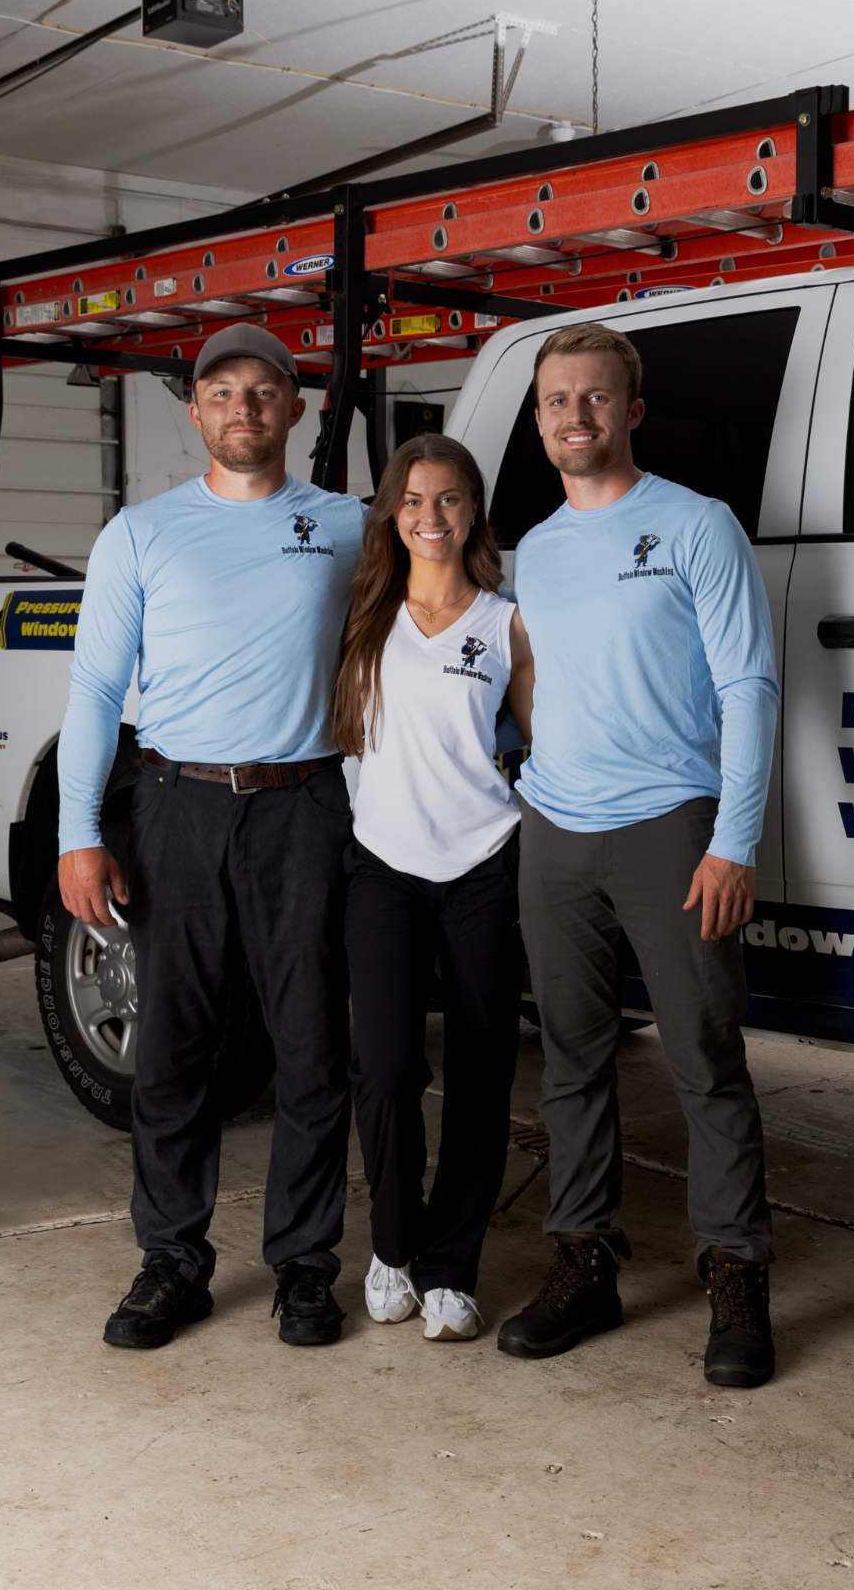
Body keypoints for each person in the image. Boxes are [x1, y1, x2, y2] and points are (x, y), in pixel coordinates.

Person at [57, 324, 365, 1351]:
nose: (244, 407)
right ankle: (172, 1262)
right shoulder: (140, 534)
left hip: (304, 805)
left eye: (263, 389)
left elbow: (433, 624)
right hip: (177, 804)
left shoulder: (350, 526)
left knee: (310, 1044)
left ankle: (305, 1265)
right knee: (175, 1046)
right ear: (195, 412)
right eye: (222, 392)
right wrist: (76, 831)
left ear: (296, 407)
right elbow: (97, 688)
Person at [494, 322, 781, 1388]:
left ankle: (736, 1274)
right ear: (538, 421)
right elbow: (537, 678)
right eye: (556, 400)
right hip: (555, 832)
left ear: (632, 411)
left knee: (705, 1059)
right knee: (570, 1064)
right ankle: (584, 1263)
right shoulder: (534, 549)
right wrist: (530, 773)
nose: (575, 416)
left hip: (671, 825)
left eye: (596, 397)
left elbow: (749, 684)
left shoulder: (697, 524)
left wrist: (732, 840)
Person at [333, 434, 532, 1342]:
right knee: (384, 1070)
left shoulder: (505, 623)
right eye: (413, 500)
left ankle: (452, 1269)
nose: (431, 516)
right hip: (382, 866)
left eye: (449, 498)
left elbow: (548, 744)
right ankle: (393, 1247)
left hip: (484, 863)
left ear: (473, 508)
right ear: (392, 512)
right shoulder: (363, 616)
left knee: (483, 1072)